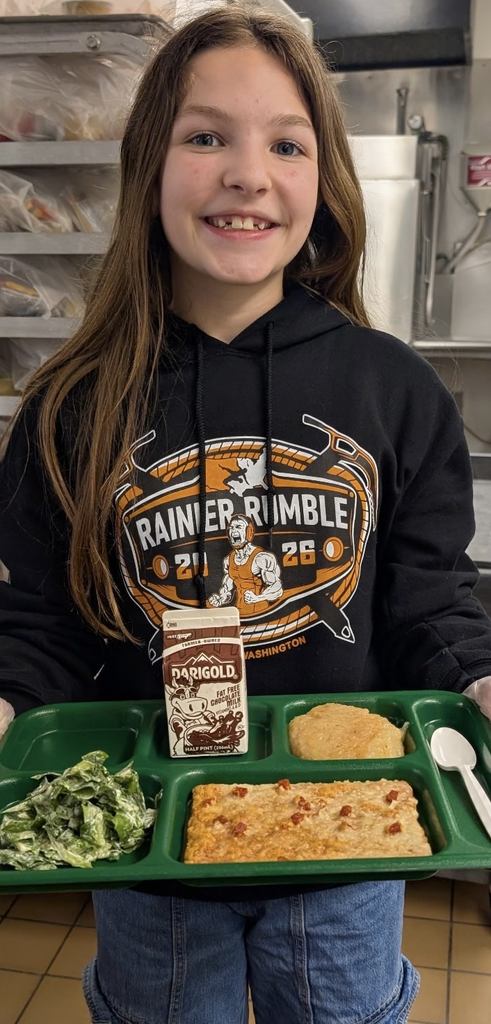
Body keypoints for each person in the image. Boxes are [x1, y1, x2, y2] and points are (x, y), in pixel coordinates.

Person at [1, 7, 491, 1023]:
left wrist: (481, 680)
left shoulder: (393, 389)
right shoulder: (70, 404)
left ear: (322, 178)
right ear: (147, 166)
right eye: (203, 136)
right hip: (156, 855)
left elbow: (433, 604)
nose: (246, 173)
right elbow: (42, 628)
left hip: (347, 845)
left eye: (285, 142)